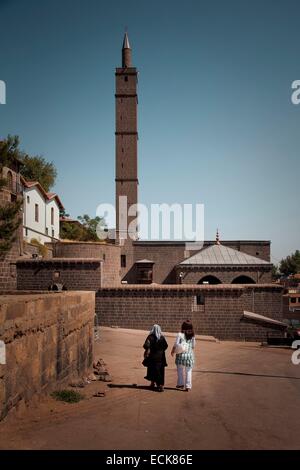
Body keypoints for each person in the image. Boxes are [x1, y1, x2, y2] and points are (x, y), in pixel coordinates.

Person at [171, 320, 195, 392]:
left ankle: (180, 384)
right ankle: (188, 386)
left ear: (183, 327)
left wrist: (172, 351)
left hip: (180, 356)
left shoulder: (180, 334)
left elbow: (176, 344)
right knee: (188, 371)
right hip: (189, 356)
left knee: (180, 370)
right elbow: (193, 346)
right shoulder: (193, 335)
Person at [143, 324, 168, 392]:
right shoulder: (162, 337)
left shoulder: (150, 337)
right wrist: (160, 351)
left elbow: (146, 345)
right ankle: (161, 385)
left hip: (152, 357)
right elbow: (166, 346)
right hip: (161, 357)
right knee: (160, 371)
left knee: (152, 369)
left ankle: (153, 383)